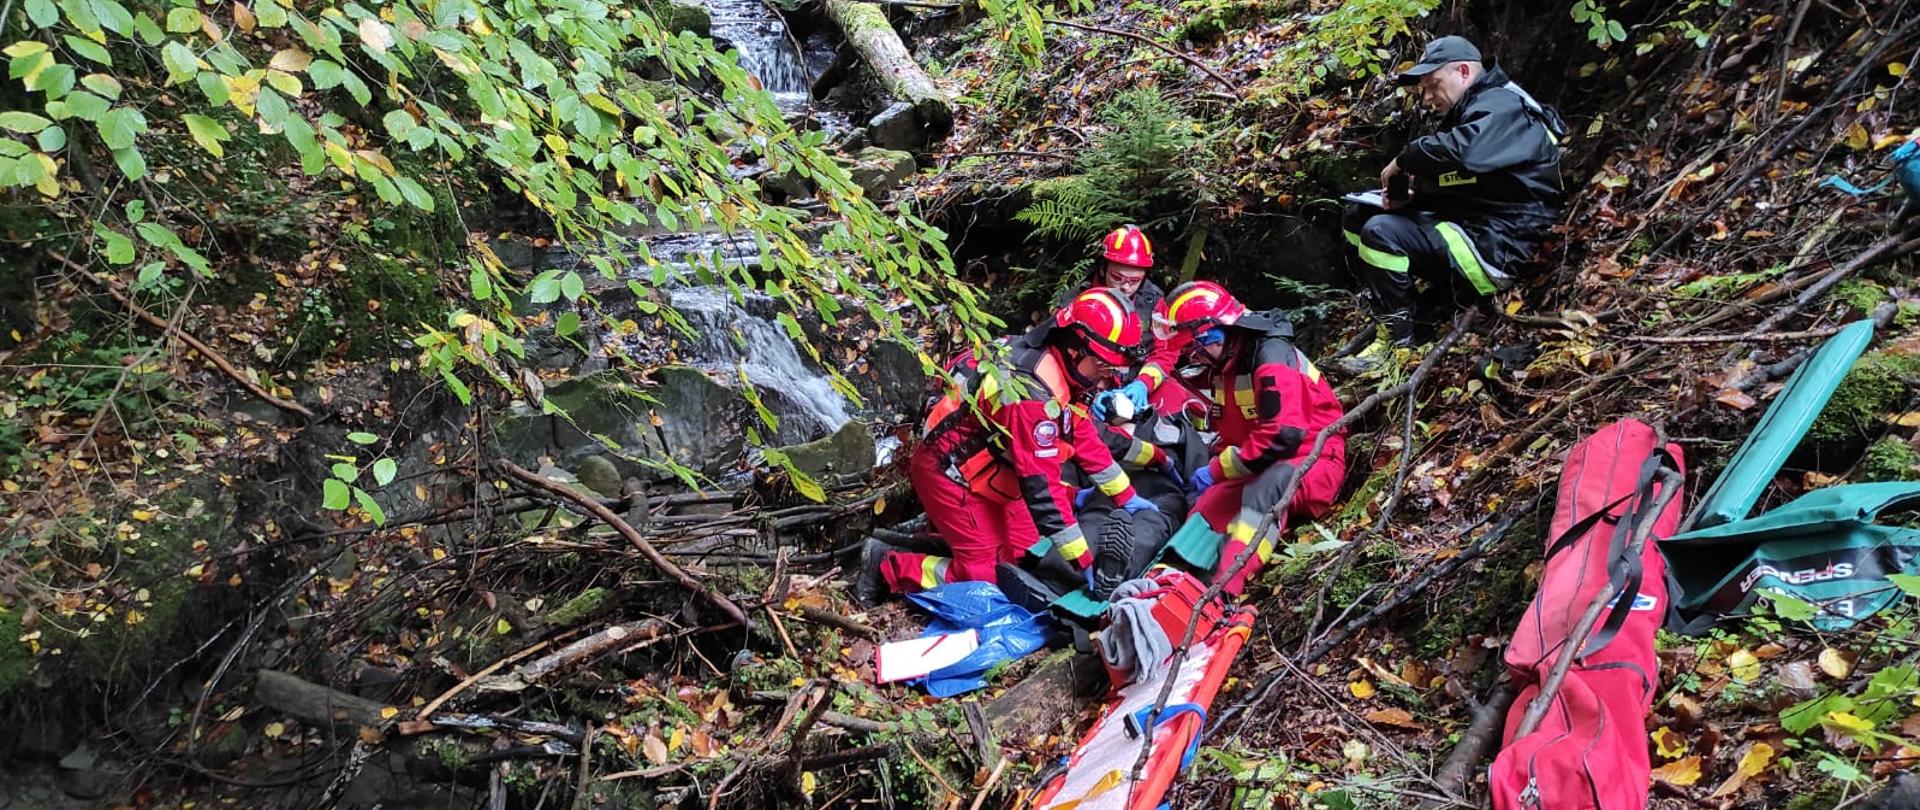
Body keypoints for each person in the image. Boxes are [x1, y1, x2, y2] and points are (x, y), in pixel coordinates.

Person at [854, 288, 1164, 605]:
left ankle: (934, 541)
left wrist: (1127, 496)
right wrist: (1082, 563)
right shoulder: (1032, 396)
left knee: (1024, 554)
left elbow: (1083, 437)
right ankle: (886, 563)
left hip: (992, 472)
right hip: (949, 475)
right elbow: (1041, 486)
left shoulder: (1058, 371)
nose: (1105, 377)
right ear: (1075, 349)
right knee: (986, 582)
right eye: (1102, 365)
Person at [1336, 35, 1567, 375]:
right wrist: (1412, 199)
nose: (1428, 98)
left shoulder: (1504, 104)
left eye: (1432, 85)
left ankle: (1396, 351)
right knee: (1358, 216)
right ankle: (1402, 311)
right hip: (1472, 227)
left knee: (1380, 232)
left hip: (1498, 246)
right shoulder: (1476, 109)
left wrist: (1405, 158)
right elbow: (1470, 183)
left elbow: (1466, 153)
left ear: (1462, 71)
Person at [1158, 281, 1347, 596]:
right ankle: (1171, 584)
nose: (1194, 356)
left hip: (1315, 458)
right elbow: (1236, 431)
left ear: (1213, 333)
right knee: (1206, 508)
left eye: (1195, 346)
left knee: (1265, 489)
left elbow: (1282, 437)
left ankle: (1225, 588)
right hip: (1266, 461)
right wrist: (1215, 472)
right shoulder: (1229, 363)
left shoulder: (1271, 358)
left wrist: (1218, 469)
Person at [1082, 225, 1182, 423]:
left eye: (1134, 280)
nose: (1126, 287)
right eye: (1117, 278)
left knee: (1175, 404)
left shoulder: (1154, 303)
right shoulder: (1081, 302)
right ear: (1103, 269)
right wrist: (1086, 390)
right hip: (1092, 384)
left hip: (1137, 381)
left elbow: (1165, 352)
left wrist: (1143, 384)